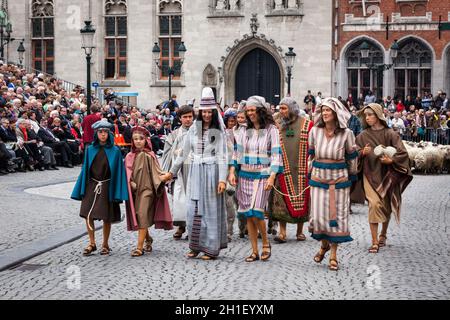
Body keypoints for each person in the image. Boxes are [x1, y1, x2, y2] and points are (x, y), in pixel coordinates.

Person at [161, 87, 228, 260]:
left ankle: (211, 248)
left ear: (214, 113)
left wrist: (222, 179)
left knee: (210, 210)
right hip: (195, 173)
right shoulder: (193, 130)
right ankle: (195, 246)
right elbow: (183, 153)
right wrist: (171, 173)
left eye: (209, 112)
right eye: (204, 112)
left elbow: (222, 156)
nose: (206, 115)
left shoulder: (218, 131)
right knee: (193, 210)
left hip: (211, 173)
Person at [228, 96, 283, 262]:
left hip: (263, 175)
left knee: (257, 211)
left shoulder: (271, 129)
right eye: (248, 111)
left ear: (260, 111)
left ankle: (265, 243)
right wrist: (232, 171)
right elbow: (237, 153)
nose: (250, 113)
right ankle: (254, 250)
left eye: (253, 110)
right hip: (245, 175)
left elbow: (276, 154)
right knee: (248, 214)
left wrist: (272, 176)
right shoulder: (243, 130)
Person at [353, 103, 412, 254]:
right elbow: (354, 153)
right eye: (366, 115)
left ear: (378, 115)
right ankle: (374, 242)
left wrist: (391, 160)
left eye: (370, 114)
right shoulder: (362, 135)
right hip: (369, 173)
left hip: (387, 175)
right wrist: (362, 153)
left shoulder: (390, 133)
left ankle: (383, 234)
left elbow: (403, 153)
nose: (367, 118)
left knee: (386, 206)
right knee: (374, 204)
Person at [308, 97, 358, 271]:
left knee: (336, 218)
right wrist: (310, 173)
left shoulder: (347, 134)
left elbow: (352, 159)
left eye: (328, 110)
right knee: (319, 218)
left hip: (339, 181)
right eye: (323, 110)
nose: (325, 113)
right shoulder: (314, 131)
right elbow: (311, 155)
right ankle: (324, 245)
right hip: (318, 179)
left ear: (336, 113)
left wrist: (351, 177)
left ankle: (334, 256)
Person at [71, 121, 129, 256]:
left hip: (107, 185)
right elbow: (85, 169)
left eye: (105, 132)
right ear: (96, 134)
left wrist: (117, 190)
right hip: (91, 184)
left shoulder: (115, 151)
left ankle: (105, 244)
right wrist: (82, 187)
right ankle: (92, 243)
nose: (103, 135)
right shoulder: (90, 149)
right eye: (100, 132)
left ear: (109, 134)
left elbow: (118, 172)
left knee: (106, 216)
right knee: (87, 213)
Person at [124, 126, 173, 257]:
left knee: (142, 214)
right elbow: (127, 173)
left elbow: (157, 171)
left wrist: (165, 176)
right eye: (135, 139)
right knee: (140, 217)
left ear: (146, 140)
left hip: (147, 190)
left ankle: (139, 247)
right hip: (135, 191)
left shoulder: (149, 155)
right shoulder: (129, 156)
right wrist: (130, 182)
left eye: (141, 138)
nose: (138, 141)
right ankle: (148, 238)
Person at [270, 97, 313, 243]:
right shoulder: (277, 126)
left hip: (301, 169)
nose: (281, 111)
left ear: (292, 109)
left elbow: (313, 147)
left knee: (302, 199)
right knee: (281, 201)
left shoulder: (307, 125)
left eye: (284, 108)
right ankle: (282, 232)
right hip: (283, 168)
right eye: (280, 109)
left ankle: (300, 231)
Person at [161, 105, 195, 240]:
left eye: (190, 117)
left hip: (193, 169)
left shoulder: (198, 132)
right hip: (178, 171)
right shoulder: (174, 135)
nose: (188, 120)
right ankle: (181, 226)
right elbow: (167, 153)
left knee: (192, 199)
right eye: (185, 117)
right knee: (179, 199)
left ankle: (192, 228)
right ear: (180, 119)